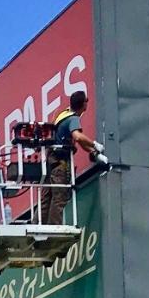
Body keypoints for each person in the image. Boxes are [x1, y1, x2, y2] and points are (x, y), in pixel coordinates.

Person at [40, 88, 101, 224]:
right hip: (59, 164)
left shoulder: (63, 115)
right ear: (83, 104)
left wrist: (92, 151)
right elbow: (78, 137)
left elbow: (80, 142)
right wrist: (95, 144)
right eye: (86, 101)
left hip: (50, 163)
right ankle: (54, 230)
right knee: (60, 197)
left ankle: (38, 225)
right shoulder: (73, 119)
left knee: (47, 198)